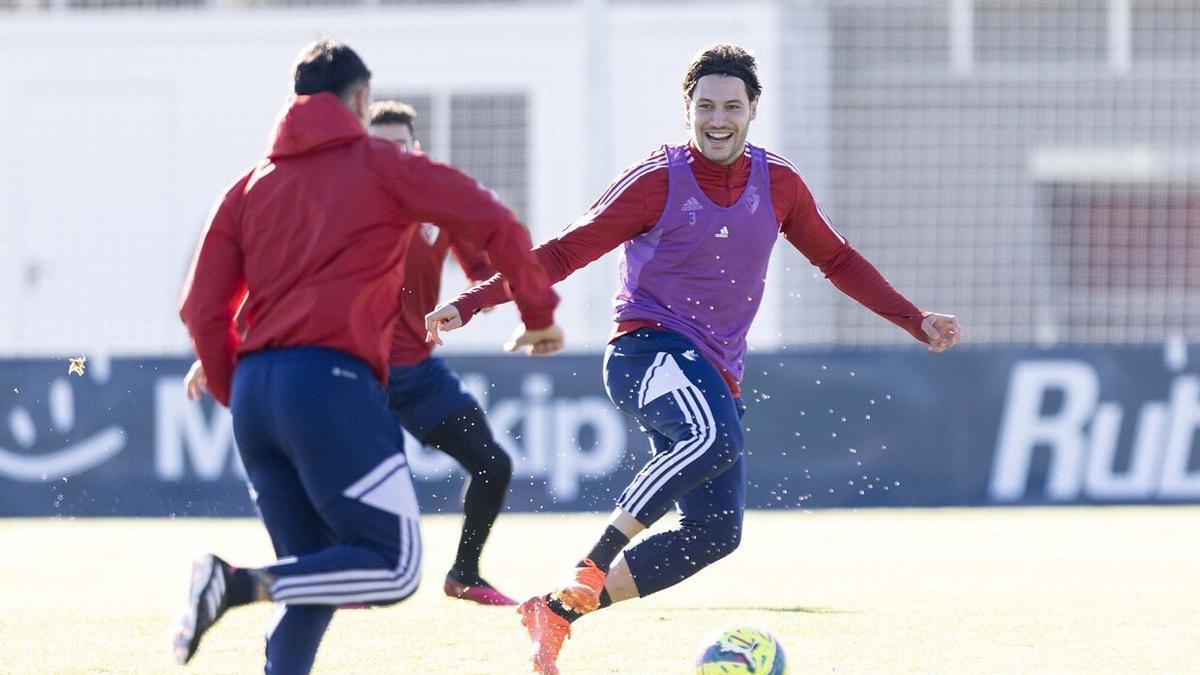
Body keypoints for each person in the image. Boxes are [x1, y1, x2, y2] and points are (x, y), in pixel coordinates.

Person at [425, 44, 961, 674]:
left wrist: (913, 319)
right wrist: (473, 302)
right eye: (705, 106)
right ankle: (592, 563)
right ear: (688, 109)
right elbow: (565, 251)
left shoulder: (780, 183)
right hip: (645, 349)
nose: (718, 119)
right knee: (714, 436)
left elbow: (837, 260)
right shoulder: (657, 179)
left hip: (714, 372)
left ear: (753, 109)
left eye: (732, 106)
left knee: (716, 534)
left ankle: (558, 612)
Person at [174, 38, 561, 673]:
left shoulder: (248, 185)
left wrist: (236, 392)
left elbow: (200, 310)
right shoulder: (384, 167)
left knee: (314, 578)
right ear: (360, 100)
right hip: (329, 383)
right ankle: (233, 583)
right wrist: (539, 316)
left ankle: (254, 605)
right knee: (395, 565)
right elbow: (499, 224)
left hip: (255, 397)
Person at [368, 100, 517, 606]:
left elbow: (481, 272)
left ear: (415, 148)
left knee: (493, 465)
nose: (390, 157)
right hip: (355, 372)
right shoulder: (341, 206)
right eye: (378, 147)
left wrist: (487, 292)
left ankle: (465, 575)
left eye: (400, 146)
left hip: (417, 369)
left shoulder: (436, 202)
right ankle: (350, 575)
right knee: (370, 484)